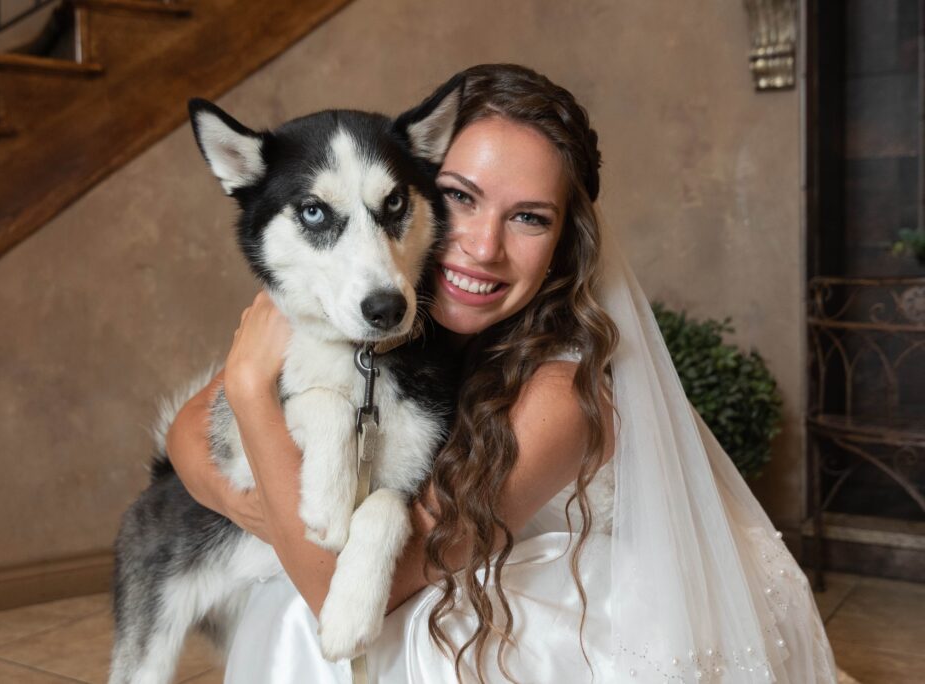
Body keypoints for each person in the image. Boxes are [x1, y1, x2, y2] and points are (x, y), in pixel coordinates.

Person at [166, 64, 838, 683]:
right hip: (427, 565)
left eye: (528, 218)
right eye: (458, 198)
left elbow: (329, 585)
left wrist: (252, 388)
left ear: (564, 242)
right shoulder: (382, 302)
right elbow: (186, 439)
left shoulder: (564, 396)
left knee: (305, 622)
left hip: (584, 613)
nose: (483, 249)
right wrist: (252, 496)